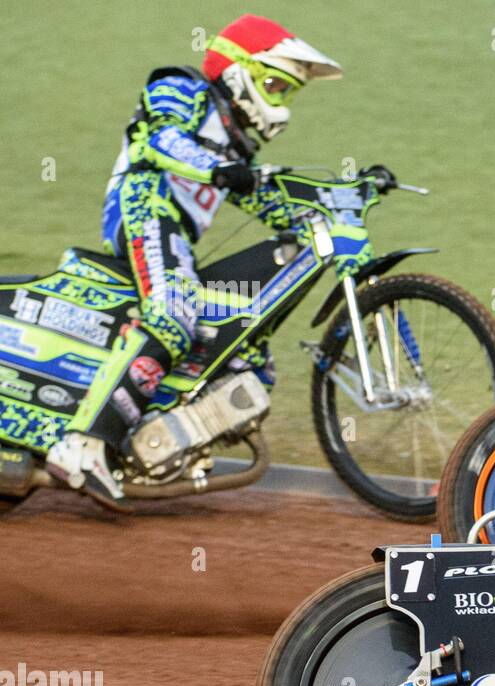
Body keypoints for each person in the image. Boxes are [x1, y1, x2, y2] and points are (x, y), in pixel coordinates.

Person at [45, 14, 342, 509]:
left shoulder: (234, 145)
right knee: (173, 315)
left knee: (245, 356)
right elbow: (162, 141)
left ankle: (169, 442)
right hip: (144, 214)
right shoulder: (180, 86)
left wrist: (336, 204)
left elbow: (263, 201)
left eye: (287, 92)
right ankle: (83, 442)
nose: (280, 104)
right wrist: (222, 169)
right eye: (273, 85)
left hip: (176, 236)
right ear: (235, 71)